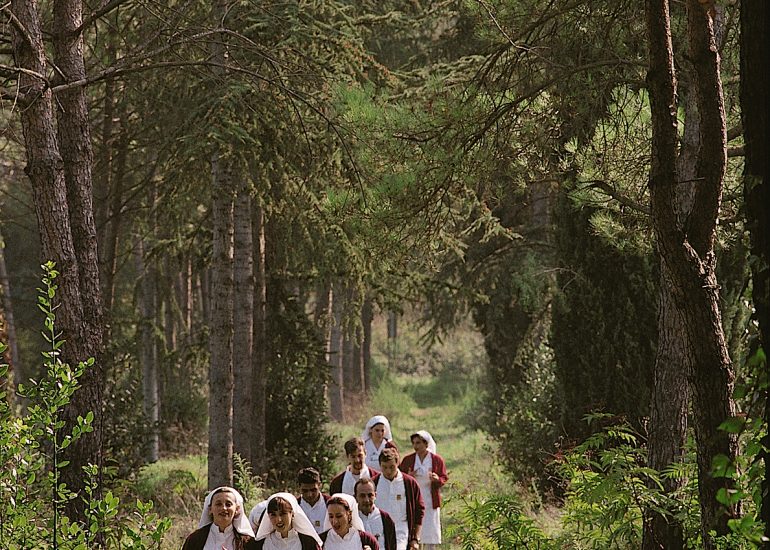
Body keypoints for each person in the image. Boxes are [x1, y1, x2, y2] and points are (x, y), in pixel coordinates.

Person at [398, 431, 447, 550]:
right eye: (414, 443)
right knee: (415, 526)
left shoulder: (436, 460)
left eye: (419, 443)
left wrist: (437, 479)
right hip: (414, 497)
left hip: (430, 498)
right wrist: (408, 476)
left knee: (430, 528)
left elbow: (443, 477)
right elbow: (399, 475)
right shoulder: (408, 460)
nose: (416, 446)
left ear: (426, 444)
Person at [375, 449, 424, 550]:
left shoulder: (409, 483)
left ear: (397, 463)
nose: (388, 471)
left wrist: (415, 538)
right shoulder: (374, 483)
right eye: (384, 467)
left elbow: (419, 510)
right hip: (379, 531)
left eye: (392, 467)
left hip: (401, 531)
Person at [182, 486, 258, 550]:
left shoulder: (247, 542)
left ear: (237, 510)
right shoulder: (195, 540)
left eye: (228, 504)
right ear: (210, 509)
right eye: (218, 504)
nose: (224, 508)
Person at [254, 492, 322, 550]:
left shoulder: (308, 542)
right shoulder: (262, 543)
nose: (279, 520)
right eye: (273, 515)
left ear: (292, 514)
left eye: (283, 514)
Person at [355, 478, 397, 550]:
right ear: (355, 497)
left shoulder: (385, 519)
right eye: (362, 496)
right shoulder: (351, 519)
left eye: (370, 495)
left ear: (375, 495)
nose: (367, 500)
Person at [298, 467, 330, 533]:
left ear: (319, 485)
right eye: (305, 491)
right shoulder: (294, 506)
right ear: (299, 487)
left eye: (313, 490)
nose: (309, 494)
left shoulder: (330, 503)